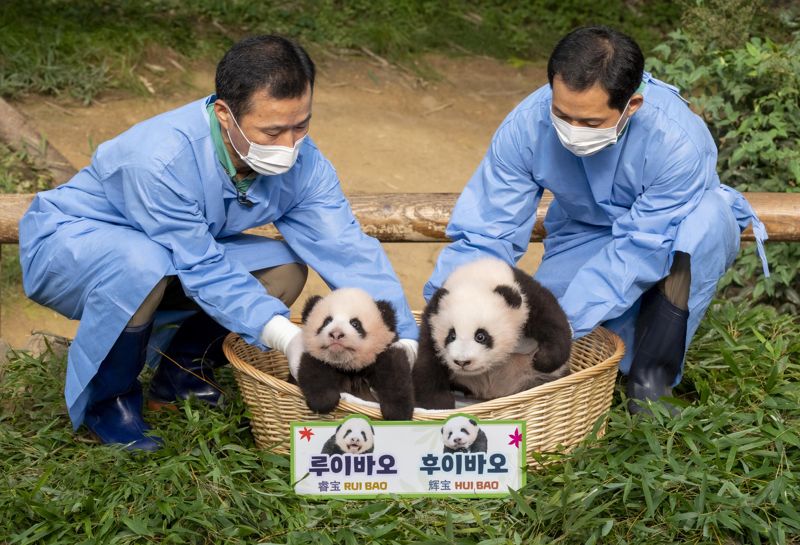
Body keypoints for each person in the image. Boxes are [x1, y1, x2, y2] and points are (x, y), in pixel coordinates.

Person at [19, 35, 418, 451]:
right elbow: (202, 266)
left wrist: (400, 336)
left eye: (301, 125)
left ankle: (180, 379)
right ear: (225, 114)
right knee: (144, 263)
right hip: (71, 246)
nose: (289, 146)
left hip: (173, 252)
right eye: (272, 130)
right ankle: (110, 401)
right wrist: (287, 338)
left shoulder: (305, 162)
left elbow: (346, 247)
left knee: (283, 269)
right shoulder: (158, 158)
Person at [424, 26, 769, 414]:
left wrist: (563, 324)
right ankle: (610, 357)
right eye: (561, 115)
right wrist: (440, 309)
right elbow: (486, 229)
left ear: (631, 105)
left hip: (670, 233)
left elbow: (641, 246)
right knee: (538, 330)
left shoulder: (678, 141)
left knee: (702, 226)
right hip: (584, 230)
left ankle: (651, 381)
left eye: (589, 123)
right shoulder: (524, 126)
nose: (572, 131)